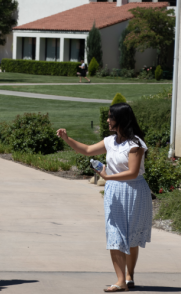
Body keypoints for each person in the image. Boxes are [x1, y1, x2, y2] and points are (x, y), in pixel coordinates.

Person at [57, 103, 151, 292]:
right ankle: (120, 281)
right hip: (114, 192)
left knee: (131, 237)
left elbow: (132, 173)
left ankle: (129, 275)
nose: (107, 120)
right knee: (115, 235)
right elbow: (87, 150)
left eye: (110, 117)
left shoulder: (136, 144)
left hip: (133, 191)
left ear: (121, 120)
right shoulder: (110, 141)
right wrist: (67, 139)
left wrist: (107, 176)